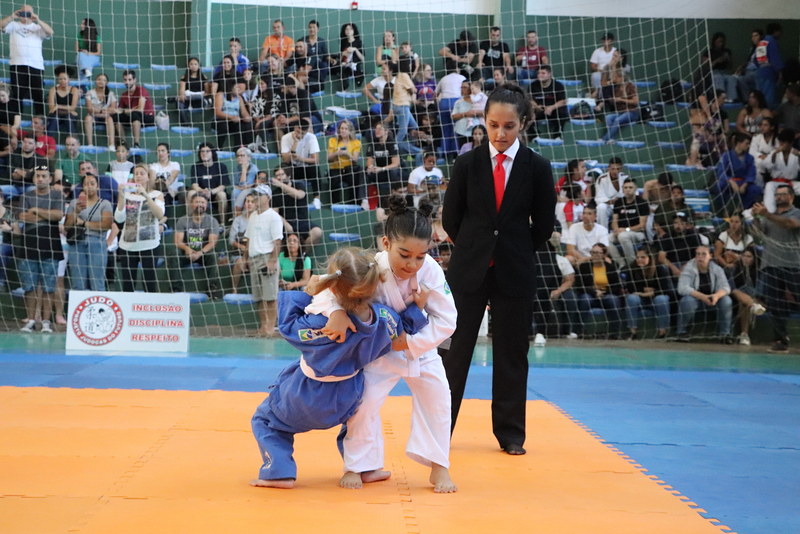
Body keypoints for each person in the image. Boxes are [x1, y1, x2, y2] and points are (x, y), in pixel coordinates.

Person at [250, 247, 426, 489]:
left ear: (330, 287)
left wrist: (309, 292)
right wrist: (418, 307)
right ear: (375, 287)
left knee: (265, 420)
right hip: (348, 397)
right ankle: (366, 466)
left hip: (305, 395)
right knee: (360, 420)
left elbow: (287, 324)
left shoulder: (319, 324)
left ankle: (279, 472)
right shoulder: (383, 319)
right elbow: (405, 330)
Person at [442, 83, 556, 455]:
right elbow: (451, 219)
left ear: (522, 123)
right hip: (468, 269)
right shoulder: (467, 163)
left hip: (514, 270)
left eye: (508, 126)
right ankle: (440, 428)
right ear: (484, 122)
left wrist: (512, 248)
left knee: (511, 355)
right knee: (454, 352)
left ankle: (510, 435)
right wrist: (478, 247)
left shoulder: (537, 167)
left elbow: (543, 226)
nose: (500, 134)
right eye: (493, 125)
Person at [317, 197, 458, 492]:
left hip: (420, 349)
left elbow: (447, 319)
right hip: (379, 350)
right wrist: (337, 312)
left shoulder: (430, 270)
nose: (412, 264)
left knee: (439, 399)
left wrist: (413, 342)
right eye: (404, 254)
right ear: (385, 243)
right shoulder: (370, 266)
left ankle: (439, 466)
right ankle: (358, 465)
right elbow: (330, 292)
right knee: (364, 402)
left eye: (420, 256)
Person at [751, 185, 800, 353]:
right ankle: (780, 340)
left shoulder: (796, 213)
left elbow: (790, 224)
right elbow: (758, 234)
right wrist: (756, 218)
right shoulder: (770, 216)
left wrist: (766, 215)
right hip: (771, 264)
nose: (779, 197)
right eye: (777, 195)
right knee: (776, 304)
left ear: (792, 197)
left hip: (793, 264)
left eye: (783, 194)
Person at [17, 166, 63, 334]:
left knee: (49, 287)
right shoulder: (25, 196)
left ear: (50, 178)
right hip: (28, 247)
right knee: (29, 286)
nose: (41, 179)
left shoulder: (57, 195)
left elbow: (58, 215)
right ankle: (30, 320)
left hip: (50, 246)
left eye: (44, 176)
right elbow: (23, 216)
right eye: (38, 176)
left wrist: (36, 210)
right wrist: (47, 215)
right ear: (34, 178)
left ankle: (45, 322)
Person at [114, 163, 165, 293]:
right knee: (128, 284)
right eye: (136, 174)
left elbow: (159, 215)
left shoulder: (157, 194)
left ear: (148, 177)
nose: (138, 176)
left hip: (149, 245)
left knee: (149, 283)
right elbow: (119, 219)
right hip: (127, 245)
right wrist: (121, 196)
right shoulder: (128, 195)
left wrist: (146, 195)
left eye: (141, 173)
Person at [244, 184, 283, 336]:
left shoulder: (273, 217)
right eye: (255, 195)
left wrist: (272, 261)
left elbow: (277, 241)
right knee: (259, 297)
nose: (256, 198)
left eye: (259, 195)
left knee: (270, 297)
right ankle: (263, 326)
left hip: (267, 257)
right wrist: (246, 258)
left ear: (268, 198)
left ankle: (270, 328)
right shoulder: (253, 216)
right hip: (254, 258)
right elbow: (248, 238)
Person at [1, 5, 54, 116]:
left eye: (28, 13)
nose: (25, 15)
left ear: (33, 13)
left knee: (38, 95)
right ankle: (16, 120)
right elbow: (1, 25)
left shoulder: (38, 27)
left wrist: (38, 20)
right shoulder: (13, 25)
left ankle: (39, 120)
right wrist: (12, 16)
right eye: (23, 12)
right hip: (17, 65)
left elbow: (50, 32)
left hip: (36, 66)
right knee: (17, 95)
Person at [675, 245, 733, 342]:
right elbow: (682, 288)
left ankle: (725, 334)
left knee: (726, 300)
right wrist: (703, 297)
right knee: (687, 300)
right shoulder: (689, 268)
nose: (700, 257)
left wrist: (716, 296)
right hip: (696, 300)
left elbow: (726, 287)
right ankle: (681, 332)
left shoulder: (717, 269)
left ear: (710, 256)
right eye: (698, 254)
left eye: (703, 254)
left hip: (713, 300)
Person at [64, 173, 112, 290]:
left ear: (97, 186)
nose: (89, 186)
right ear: (82, 187)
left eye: (92, 183)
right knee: (77, 283)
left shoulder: (105, 204)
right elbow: (66, 226)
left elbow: (106, 225)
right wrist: (75, 212)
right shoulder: (74, 203)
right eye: (86, 184)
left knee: (97, 282)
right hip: (77, 243)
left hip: (97, 243)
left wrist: (84, 223)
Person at [532, 231, 581, 341]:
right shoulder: (533, 260)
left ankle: (568, 330)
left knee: (570, 298)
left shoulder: (562, 260)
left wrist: (558, 291)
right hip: (537, 290)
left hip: (558, 290)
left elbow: (570, 280)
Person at [173, 194, 223, 299]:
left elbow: (212, 242)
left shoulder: (212, 221)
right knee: (174, 254)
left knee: (213, 255)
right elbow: (178, 242)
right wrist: (187, 249)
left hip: (203, 253)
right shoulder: (182, 220)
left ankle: (212, 290)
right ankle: (176, 290)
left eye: (202, 202)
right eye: (197, 202)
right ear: (191, 204)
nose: (200, 205)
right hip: (187, 252)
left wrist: (200, 252)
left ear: (207, 205)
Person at [576, 242, 625, 339]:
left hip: (606, 294)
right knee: (585, 299)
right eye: (593, 252)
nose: (595, 255)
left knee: (613, 300)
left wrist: (604, 292)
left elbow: (617, 286)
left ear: (604, 254)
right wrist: (594, 292)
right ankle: (581, 331)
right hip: (590, 294)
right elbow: (580, 286)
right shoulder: (584, 267)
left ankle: (615, 333)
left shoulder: (611, 267)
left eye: (598, 253)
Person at [625, 245, 674, 339]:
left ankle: (662, 333)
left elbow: (667, 290)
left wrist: (645, 293)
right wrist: (646, 290)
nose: (639, 260)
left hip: (655, 299)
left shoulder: (660, 269)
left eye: (643, 257)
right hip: (641, 300)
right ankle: (632, 333)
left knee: (661, 299)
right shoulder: (632, 268)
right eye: (637, 257)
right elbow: (631, 288)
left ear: (651, 258)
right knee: (631, 298)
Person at [270, 166, 322, 247]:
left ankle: (302, 252)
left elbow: (299, 195)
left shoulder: (298, 185)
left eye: (282, 174)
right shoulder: (275, 193)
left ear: (288, 176)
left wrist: (280, 184)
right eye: (277, 176)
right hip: (287, 224)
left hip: (303, 222)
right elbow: (275, 213)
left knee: (317, 232)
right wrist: (286, 224)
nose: (279, 177)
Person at [711, 132, 762, 215]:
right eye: (746, 143)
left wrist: (745, 184)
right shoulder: (726, 156)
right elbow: (721, 171)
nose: (748, 146)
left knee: (755, 189)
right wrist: (731, 182)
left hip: (743, 181)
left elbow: (751, 173)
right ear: (739, 143)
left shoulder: (750, 158)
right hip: (728, 181)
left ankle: (742, 209)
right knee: (720, 186)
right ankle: (724, 210)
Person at [728, 245, 766, 346]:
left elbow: (760, 292)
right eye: (744, 256)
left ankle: (744, 334)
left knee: (744, 303)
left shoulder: (760, 272)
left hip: (758, 300)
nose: (746, 259)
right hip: (736, 298)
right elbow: (730, 287)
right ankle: (752, 306)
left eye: (749, 256)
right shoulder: (735, 269)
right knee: (738, 294)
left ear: (755, 258)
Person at [609, 178, 648, 266]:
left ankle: (632, 263)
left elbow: (642, 225)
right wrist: (616, 230)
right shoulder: (618, 202)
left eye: (630, 187)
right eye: (625, 187)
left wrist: (626, 230)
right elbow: (614, 220)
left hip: (637, 233)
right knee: (606, 239)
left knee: (623, 236)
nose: (628, 190)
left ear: (635, 189)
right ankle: (621, 263)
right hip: (621, 231)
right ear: (622, 189)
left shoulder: (642, 202)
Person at [188, 143, 229, 225]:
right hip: (200, 194)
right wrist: (202, 191)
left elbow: (223, 186)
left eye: (207, 151)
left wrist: (211, 192)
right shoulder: (195, 166)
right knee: (190, 193)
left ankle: (222, 223)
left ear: (212, 153)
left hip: (215, 194)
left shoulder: (221, 166)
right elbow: (194, 185)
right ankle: (190, 222)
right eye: (202, 151)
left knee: (222, 195)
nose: (204, 153)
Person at [365, 121, 402, 208]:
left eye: (380, 129)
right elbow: (369, 161)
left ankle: (393, 191)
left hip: (392, 172)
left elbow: (396, 164)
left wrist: (382, 168)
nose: (376, 131)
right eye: (376, 129)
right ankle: (365, 200)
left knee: (393, 171)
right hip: (380, 172)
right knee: (364, 171)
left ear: (386, 131)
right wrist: (370, 167)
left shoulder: (392, 143)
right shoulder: (373, 143)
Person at [279, 122, 320, 201]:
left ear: (306, 132)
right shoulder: (285, 138)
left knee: (314, 168)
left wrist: (300, 159)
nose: (299, 135)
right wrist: (295, 143)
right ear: (295, 128)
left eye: (302, 133)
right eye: (298, 132)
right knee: (285, 167)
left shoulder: (311, 137)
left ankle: (317, 199)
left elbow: (315, 160)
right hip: (293, 167)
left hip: (307, 167)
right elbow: (286, 159)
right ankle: (291, 198)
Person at [597, 67, 639, 144]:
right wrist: (612, 100)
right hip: (621, 112)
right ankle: (611, 139)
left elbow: (635, 102)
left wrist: (621, 100)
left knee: (617, 120)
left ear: (621, 77)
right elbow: (604, 85)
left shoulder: (630, 86)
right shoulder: (616, 87)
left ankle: (604, 138)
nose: (614, 79)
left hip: (632, 112)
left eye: (615, 77)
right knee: (608, 117)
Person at [762, 129, 800, 213]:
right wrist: (774, 154)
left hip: (792, 183)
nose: (781, 144)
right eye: (780, 142)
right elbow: (765, 165)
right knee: (769, 186)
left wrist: (799, 155)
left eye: (784, 142)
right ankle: (770, 213)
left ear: (790, 143)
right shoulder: (774, 153)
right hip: (776, 183)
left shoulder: (796, 154)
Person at [326, 119, 363, 205]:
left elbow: (355, 160)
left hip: (349, 168)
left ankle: (353, 203)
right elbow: (328, 159)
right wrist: (336, 153)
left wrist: (347, 154)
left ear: (350, 131)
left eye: (346, 129)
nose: (343, 130)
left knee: (353, 177)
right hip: (336, 168)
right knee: (333, 178)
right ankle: (335, 204)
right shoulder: (333, 140)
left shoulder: (356, 142)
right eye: (341, 128)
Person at [115, 70, 154, 148]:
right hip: (132, 116)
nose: (127, 82)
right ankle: (123, 143)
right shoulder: (124, 95)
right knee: (116, 117)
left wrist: (127, 111)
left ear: (134, 80)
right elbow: (118, 111)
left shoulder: (141, 90)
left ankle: (136, 143)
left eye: (129, 79)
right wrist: (128, 110)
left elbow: (140, 109)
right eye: (125, 80)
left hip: (148, 117)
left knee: (135, 114)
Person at [527, 65, 568, 140]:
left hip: (553, 110)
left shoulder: (558, 85)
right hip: (539, 110)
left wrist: (551, 108)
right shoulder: (533, 85)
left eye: (543, 73)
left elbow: (563, 101)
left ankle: (557, 135)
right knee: (527, 112)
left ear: (550, 74)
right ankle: (534, 136)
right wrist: (536, 106)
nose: (540, 75)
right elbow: (529, 99)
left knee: (562, 112)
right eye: (539, 73)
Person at [657, 212, 703, 278]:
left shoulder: (693, 235)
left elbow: (700, 254)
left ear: (687, 225)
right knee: (663, 268)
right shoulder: (667, 236)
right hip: (672, 264)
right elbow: (661, 257)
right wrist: (674, 269)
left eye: (681, 223)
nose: (678, 226)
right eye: (675, 223)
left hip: (690, 263)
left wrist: (686, 266)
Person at [227, 192, 256, 293]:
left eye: (252, 202)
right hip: (238, 253)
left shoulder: (260, 219)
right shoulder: (238, 220)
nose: (249, 204)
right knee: (239, 262)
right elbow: (231, 240)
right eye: (247, 201)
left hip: (255, 253)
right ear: (244, 204)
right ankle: (234, 289)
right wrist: (241, 247)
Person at [214, 81, 253, 149]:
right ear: (231, 86)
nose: (239, 90)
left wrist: (247, 117)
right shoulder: (220, 95)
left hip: (234, 122)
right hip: (221, 120)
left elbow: (244, 112)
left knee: (245, 125)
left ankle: (238, 148)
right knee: (223, 125)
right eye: (237, 87)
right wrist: (231, 117)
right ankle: (219, 148)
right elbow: (217, 112)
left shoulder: (239, 98)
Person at [83, 73, 117, 149]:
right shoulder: (90, 93)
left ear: (107, 82)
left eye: (104, 80)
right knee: (88, 118)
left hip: (106, 116)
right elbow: (89, 109)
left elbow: (113, 109)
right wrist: (102, 111)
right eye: (99, 79)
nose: (101, 81)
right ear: (95, 81)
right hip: (94, 116)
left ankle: (111, 145)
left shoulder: (111, 94)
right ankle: (90, 144)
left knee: (110, 119)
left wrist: (99, 110)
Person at [755, 23, 784, 110]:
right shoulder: (772, 41)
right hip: (769, 74)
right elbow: (775, 58)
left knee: (760, 99)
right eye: (780, 32)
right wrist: (780, 73)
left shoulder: (761, 42)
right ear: (775, 31)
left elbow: (756, 60)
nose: (780, 34)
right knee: (769, 100)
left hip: (760, 73)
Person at [46, 67, 80, 138]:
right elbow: (51, 107)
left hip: (69, 115)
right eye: (60, 79)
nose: (62, 81)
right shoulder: (53, 89)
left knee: (69, 118)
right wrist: (68, 109)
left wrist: (58, 106)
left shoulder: (74, 90)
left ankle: (73, 141)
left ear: (69, 79)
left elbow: (73, 107)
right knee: (54, 118)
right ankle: (47, 140)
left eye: (65, 79)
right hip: (56, 114)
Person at [594, 157, 627, 227]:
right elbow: (599, 197)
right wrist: (611, 201)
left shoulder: (625, 178)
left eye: (618, 169)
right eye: (613, 169)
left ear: (621, 168)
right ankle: (603, 231)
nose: (615, 171)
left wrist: (620, 201)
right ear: (608, 168)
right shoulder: (602, 178)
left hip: (622, 205)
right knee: (601, 207)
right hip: (608, 206)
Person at [148, 142, 184, 206]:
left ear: (168, 152)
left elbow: (171, 179)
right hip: (158, 191)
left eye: (163, 151)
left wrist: (162, 184)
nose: (160, 153)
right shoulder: (153, 166)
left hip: (172, 191)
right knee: (161, 194)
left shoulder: (175, 164)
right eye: (158, 151)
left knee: (166, 194)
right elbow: (152, 181)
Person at [177, 57, 210, 126]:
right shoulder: (184, 77)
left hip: (199, 100)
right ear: (188, 66)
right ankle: (186, 124)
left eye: (195, 64)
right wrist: (182, 95)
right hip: (188, 100)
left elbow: (207, 92)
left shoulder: (204, 77)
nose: (193, 66)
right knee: (179, 103)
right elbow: (182, 90)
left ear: (199, 65)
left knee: (201, 98)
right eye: (191, 64)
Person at [335, 23, 365, 90]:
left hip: (356, 66)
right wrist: (343, 54)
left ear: (354, 31)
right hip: (346, 65)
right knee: (340, 68)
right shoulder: (343, 43)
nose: (348, 31)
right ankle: (345, 88)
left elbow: (363, 58)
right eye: (346, 29)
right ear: (344, 31)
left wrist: (355, 49)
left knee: (357, 72)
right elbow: (340, 59)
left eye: (350, 29)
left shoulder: (358, 42)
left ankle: (358, 81)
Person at [750, 117, 779, 184]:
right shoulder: (756, 137)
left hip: (773, 161)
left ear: (772, 127)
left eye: (765, 125)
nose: (762, 127)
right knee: (758, 162)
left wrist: (767, 157)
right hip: (760, 161)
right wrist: (760, 155)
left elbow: (778, 152)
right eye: (761, 125)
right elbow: (752, 152)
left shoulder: (777, 138)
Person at [231, 146, 259, 215]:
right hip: (241, 189)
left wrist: (244, 170)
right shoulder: (236, 168)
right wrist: (240, 187)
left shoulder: (253, 168)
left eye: (242, 155)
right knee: (235, 192)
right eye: (238, 156)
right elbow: (234, 185)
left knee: (237, 192)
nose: (239, 158)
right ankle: (235, 216)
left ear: (249, 157)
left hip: (251, 190)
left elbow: (245, 185)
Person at [75, 18, 101, 83]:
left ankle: (85, 73)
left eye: (83, 24)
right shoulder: (79, 35)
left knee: (84, 60)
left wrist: (88, 53)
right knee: (80, 55)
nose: (81, 25)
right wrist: (83, 52)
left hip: (93, 57)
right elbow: (76, 50)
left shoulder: (97, 37)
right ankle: (86, 72)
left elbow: (98, 52)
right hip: (81, 56)